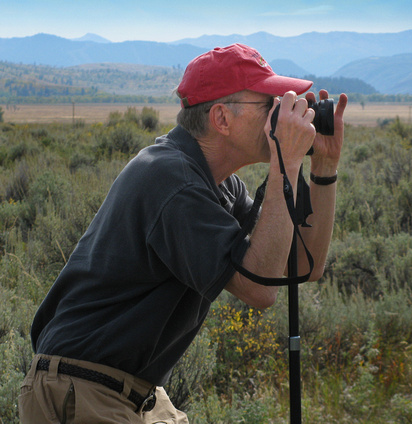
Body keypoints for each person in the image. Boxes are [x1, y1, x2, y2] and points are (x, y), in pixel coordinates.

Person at [18, 43, 348, 424]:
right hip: (82, 390)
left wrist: (324, 165)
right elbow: (260, 290)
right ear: (221, 118)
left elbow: (303, 266)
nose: (281, 113)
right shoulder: (169, 178)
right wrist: (285, 164)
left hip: (131, 394)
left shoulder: (220, 185)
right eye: (268, 103)